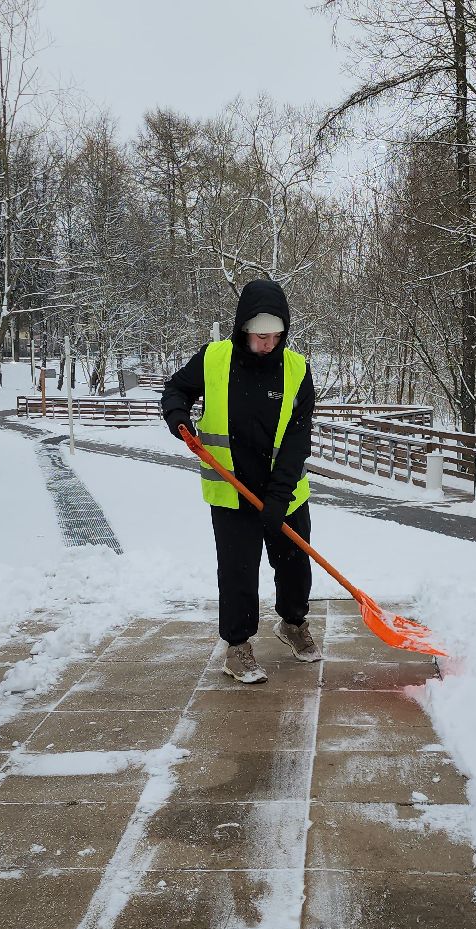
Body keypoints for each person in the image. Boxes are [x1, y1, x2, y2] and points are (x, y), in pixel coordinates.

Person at [161, 278, 321, 683]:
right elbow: (176, 389)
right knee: (238, 572)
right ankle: (237, 647)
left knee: (294, 568)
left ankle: (293, 624)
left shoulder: (297, 370)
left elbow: (297, 438)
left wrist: (279, 497)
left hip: (284, 492)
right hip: (231, 490)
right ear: (243, 329)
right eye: (259, 336)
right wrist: (178, 418)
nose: (267, 344)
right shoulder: (214, 359)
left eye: (275, 336)